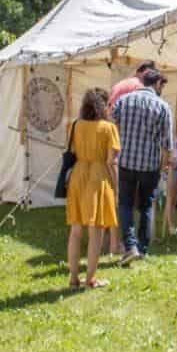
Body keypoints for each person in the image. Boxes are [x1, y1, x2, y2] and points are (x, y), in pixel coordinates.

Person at [112, 69, 172, 265]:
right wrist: (162, 168)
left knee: (125, 204)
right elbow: (167, 146)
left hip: (126, 161)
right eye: (162, 85)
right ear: (157, 84)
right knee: (146, 206)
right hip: (149, 165)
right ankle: (143, 249)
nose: (162, 89)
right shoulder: (163, 106)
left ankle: (130, 246)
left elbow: (113, 127)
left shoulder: (123, 101)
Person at [64, 88, 120, 289]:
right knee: (96, 230)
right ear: (103, 106)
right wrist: (116, 187)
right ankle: (90, 279)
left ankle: (73, 278)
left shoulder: (75, 125)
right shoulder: (108, 128)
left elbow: (71, 150)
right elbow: (111, 162)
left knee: (76, 229)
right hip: (98, 177)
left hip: (78, 175)